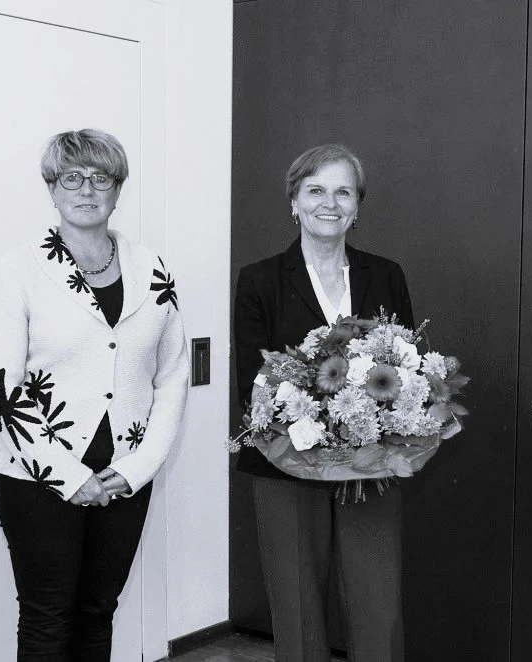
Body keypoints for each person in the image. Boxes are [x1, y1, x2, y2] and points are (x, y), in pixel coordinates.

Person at [0, 128, 190, 660]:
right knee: (49, 618)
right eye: (72, 177)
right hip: (37, 475)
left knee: (99, 612)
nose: (87, 189)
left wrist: (140, 467)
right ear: (52, 188)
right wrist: (69, 478)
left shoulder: (153, 269)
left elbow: (172, 378)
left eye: (101, 178)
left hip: (125, 470)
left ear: (118, 190)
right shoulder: (19, 269)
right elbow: (1, 390)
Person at [233, 143, 413, 661]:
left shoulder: (386, 275)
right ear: (294, 201)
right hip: (286, 463)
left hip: (371, 463)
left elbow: (407, 368)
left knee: (378, 605)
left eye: (342, 191)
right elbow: (254, 384)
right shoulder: (260, 280)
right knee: (297, 607)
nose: (328, 202)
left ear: (357, 206)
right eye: (315, 190)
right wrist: (311, 421)